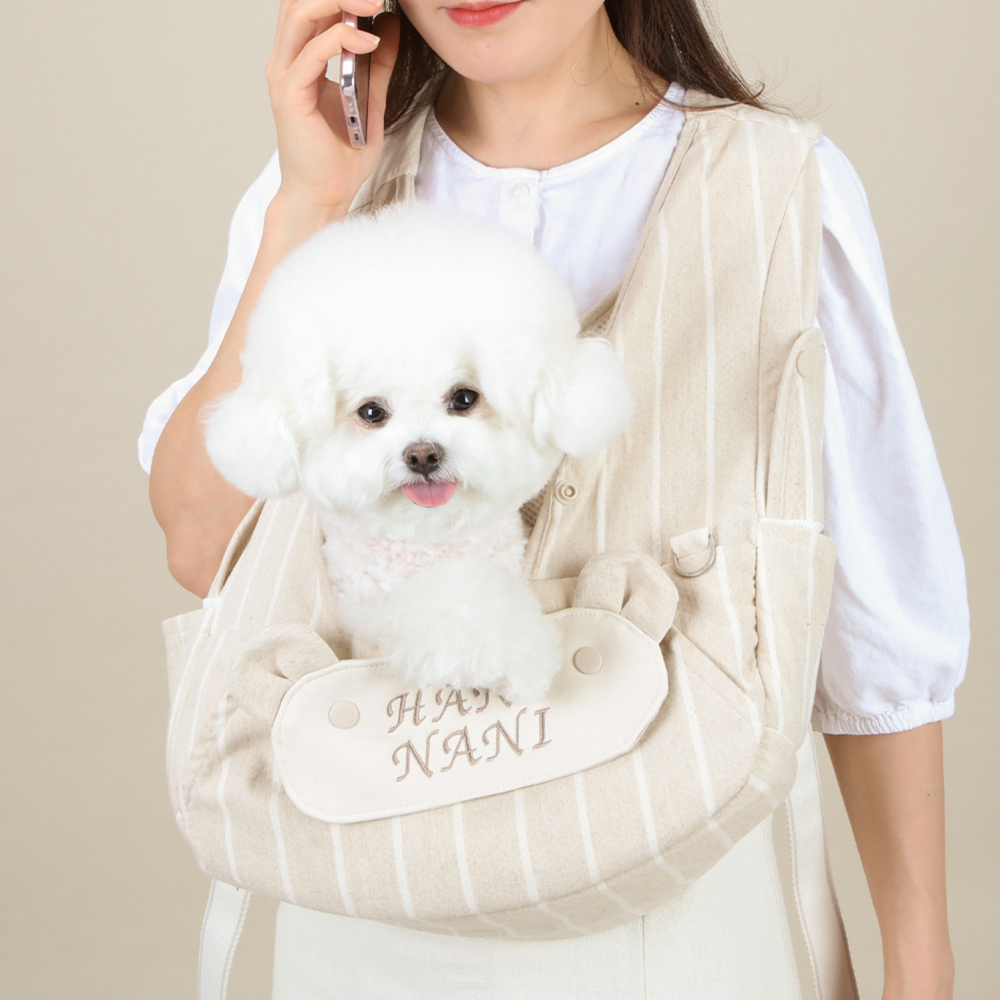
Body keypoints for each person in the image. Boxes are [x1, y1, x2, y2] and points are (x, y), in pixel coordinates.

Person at [140, 1, 968, 997]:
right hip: (362, 903)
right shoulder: (320, 186)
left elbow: (875, 621)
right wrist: (307, 203)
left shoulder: (778, 186)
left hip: (680, 919)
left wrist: (919, 959)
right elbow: (204, 545)